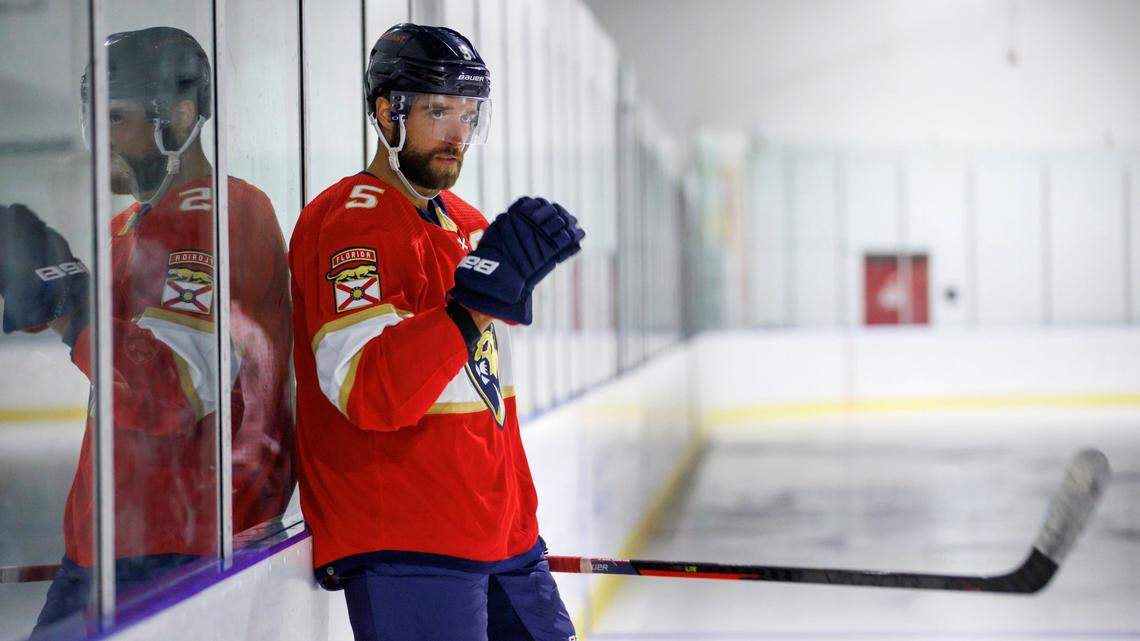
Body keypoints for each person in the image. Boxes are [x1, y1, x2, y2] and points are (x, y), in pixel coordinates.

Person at [289, 23, 583, 641]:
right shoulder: (348, 222)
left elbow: (484, 392)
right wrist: (473, 306)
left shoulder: (469, 225)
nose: (458, 134)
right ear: (387, 114)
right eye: (439, 110)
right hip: (410, 540)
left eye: (469, 114)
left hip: (505, 534)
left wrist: (520, 518)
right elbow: (368, 389)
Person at [0, 26, 294, 636]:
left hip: (171, 544)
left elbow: (172, 390)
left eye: (119, 118)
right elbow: (103, 348)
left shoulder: (219, 212)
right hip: (117, 536)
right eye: (95, 118)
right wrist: (50, 296)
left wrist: (70, 308)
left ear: (180, 116)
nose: (101, 138)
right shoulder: (132, 224)